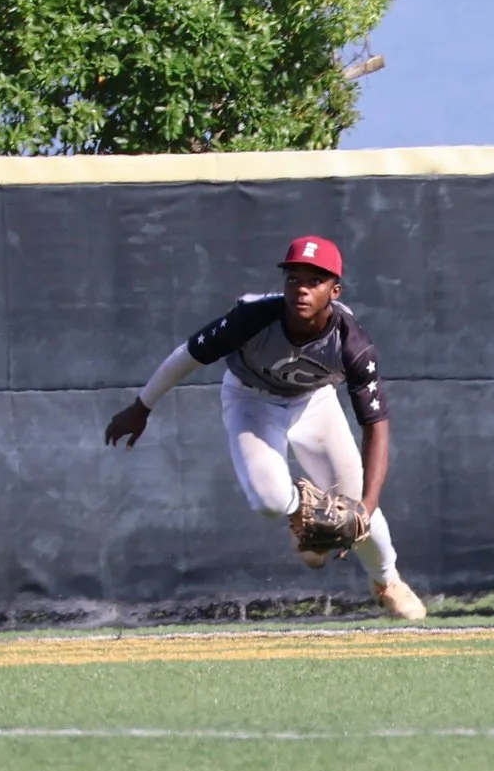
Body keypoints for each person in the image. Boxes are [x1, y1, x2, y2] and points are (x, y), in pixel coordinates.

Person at [104, 235, 427, 621]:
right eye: (294, 278)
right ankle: (300, 515)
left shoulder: (352, 343)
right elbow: (190, 354)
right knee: (270, 501)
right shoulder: (254, 316)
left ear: (334, 290)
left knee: (355, 507)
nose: (302, 288)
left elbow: (376, 425)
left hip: (314, 402)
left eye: (315, 280)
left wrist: (366, 508)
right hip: (251, 400)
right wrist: (142, 406)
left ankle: (388, 582)